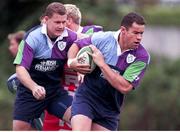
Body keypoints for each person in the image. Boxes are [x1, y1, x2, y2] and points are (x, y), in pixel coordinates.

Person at [68, 12, 150, 130]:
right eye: (135, 33)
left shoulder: (141, 57)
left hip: (109, 109)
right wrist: (71, 62)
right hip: (86, 99)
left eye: (141, 33)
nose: (139, 37)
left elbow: (125, 87)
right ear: (123, 30)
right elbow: (76, 45)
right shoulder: (103, 38)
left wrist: (102, 64)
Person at [12, 2, 78, 130]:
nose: (61, 26)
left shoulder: (69, 37)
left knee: (79, 118)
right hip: (30, 92)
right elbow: (20, 69)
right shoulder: (32, 37)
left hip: (55, 93)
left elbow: (86, 40)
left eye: (64, 22)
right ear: (46, 20)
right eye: (57, 22)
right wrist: (34, 87)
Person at [42, 3, 103, 131]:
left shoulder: (92, 32)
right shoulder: (54, 40)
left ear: (68, 20)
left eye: (61, 21)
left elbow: (96, 40)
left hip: (85, 100)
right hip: (62, 99)